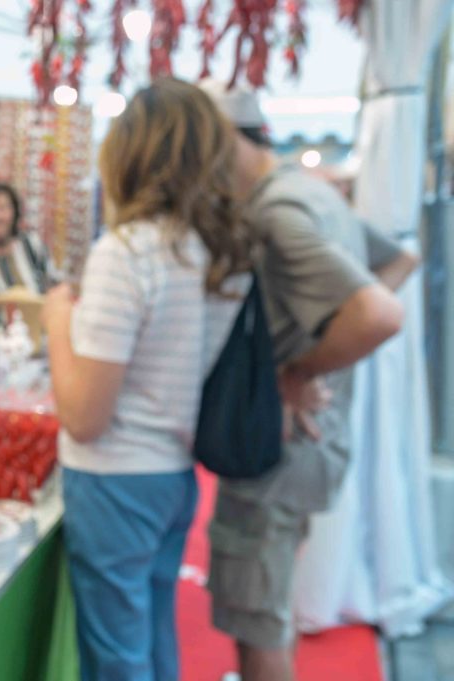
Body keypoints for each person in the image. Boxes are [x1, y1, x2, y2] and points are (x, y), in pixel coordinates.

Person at [200, 82, 414, 681]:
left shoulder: (277, 209)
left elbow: (378, 314)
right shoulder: (311, 193)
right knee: (271, 600)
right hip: (312, 441)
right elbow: (399, 260)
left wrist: (300, 369)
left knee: (257, 618)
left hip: (280, 446)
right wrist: (324, 346)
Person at [42, 78, 252, 681]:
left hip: (115, 477)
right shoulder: (220, 253)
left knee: (118, 655)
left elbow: (85, 416)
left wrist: (58, 321)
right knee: (155, 634)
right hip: (172, 473)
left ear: (128, 154)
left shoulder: (127, 252)